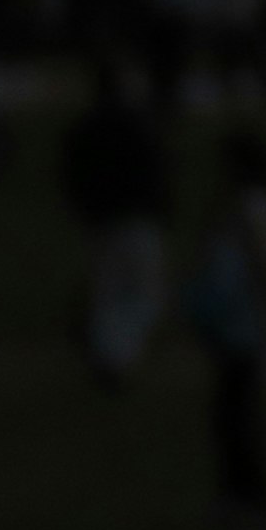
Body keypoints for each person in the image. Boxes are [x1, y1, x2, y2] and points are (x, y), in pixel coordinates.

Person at [184, 128, 266, 527]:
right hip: (241, 323)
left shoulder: (250, 207)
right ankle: (244, 493)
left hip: (244, 325)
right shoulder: (248, 205)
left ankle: (248, 496)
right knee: (234, 412)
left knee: (236, 414)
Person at [59, 55, 174, 387]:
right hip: (136, 218)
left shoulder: (87, 127)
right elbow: (159, 169)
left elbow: (72, 174)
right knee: (143, 294)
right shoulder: (139, 124)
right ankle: (113, 357)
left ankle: (107, 350)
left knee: (111, 290)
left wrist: (80, 209)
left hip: (103, 219)